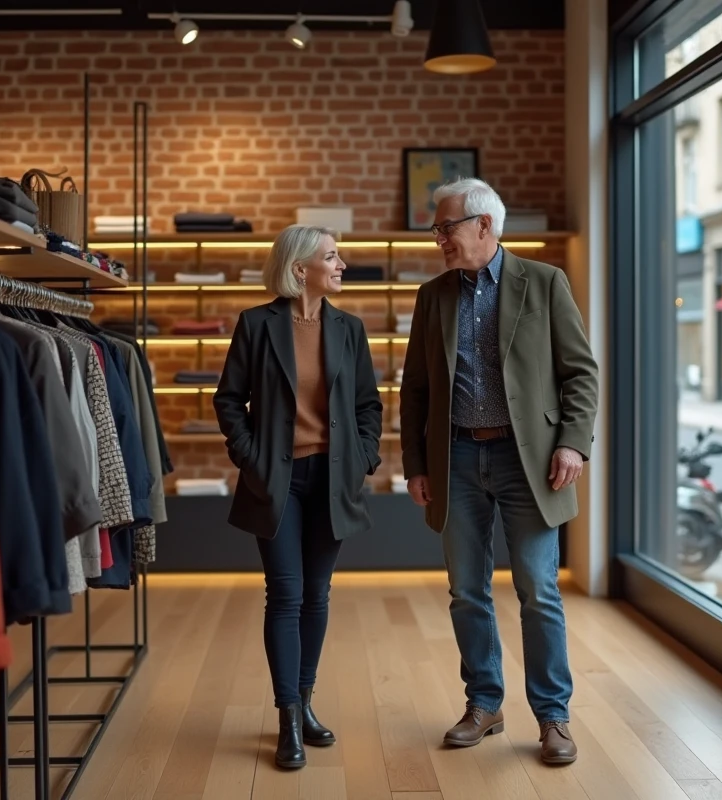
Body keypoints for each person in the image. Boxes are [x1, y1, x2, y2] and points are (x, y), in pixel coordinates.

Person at [399, 178, 599, 765]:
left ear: (484, 225)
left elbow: (580, 374)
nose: (439, 239)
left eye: (446, 227)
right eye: (437, 229)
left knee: (538, 590)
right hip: (456, 457)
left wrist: (573, 445)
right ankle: (484, 704)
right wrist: (416, 462)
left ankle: (553, 717)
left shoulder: (544, 282)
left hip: (528, 461)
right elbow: (414, 390)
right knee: (467, 591)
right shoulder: (432, 295)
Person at [213, 224, 383, 769]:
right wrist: (252, 459)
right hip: (277, 482)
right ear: (299, 267)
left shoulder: (349, 328)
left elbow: (367, 407)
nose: (342, 264)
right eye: (332, 257)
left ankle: (305, 702)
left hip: (333, 482)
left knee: (317, 594)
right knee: (285, 594)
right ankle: (287, 716)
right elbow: (228, 400)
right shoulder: (256, 325)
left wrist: (363, 459)